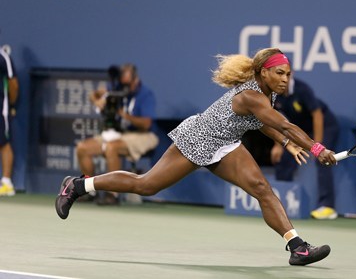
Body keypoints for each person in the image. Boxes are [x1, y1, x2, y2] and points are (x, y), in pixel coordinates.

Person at [55, 48, 337, 266]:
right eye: (280, 74)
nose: (285, 79)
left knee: (262, 189)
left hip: (226, 144)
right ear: (263, 72)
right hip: (198, 139)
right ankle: (77, 186)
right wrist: (317, 149)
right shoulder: (252, 95)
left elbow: (264, 122)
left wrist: (285, 142)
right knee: (146, 185)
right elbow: (282, 123)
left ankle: (297, 247)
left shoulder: (266, 93)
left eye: (288, 74)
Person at [75, 63, 159, 205]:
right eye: (122, 83)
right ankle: (88, 191)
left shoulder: (145, 94)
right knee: (82, 148)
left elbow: (146, 124)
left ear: (135, 79)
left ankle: (113, 195)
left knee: (111, 148)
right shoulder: (115, 88)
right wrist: (98, 102)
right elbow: (93, 94)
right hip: (118, 132)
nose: (125, 87)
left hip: (142, 135)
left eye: (128, 84)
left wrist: (123, 115)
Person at [271, 73, 339, 220]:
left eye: (286, 74)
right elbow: (277, 120)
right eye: (278, 73)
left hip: (324, 125)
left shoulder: (302, 89)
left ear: (291, 75)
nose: (282, 78)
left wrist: (319, 147)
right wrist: (277, 145)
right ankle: (279, 204)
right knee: (283, 158)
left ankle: (327, 207)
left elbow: (317, 115)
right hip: (300, 129)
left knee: (324, 160)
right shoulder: (274, 93)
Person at [0, 45, 19, 196]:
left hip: (1, 109)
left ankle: (7, 183)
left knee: (4, 143)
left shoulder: (3, 56)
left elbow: (13, 83)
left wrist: (11, 104)